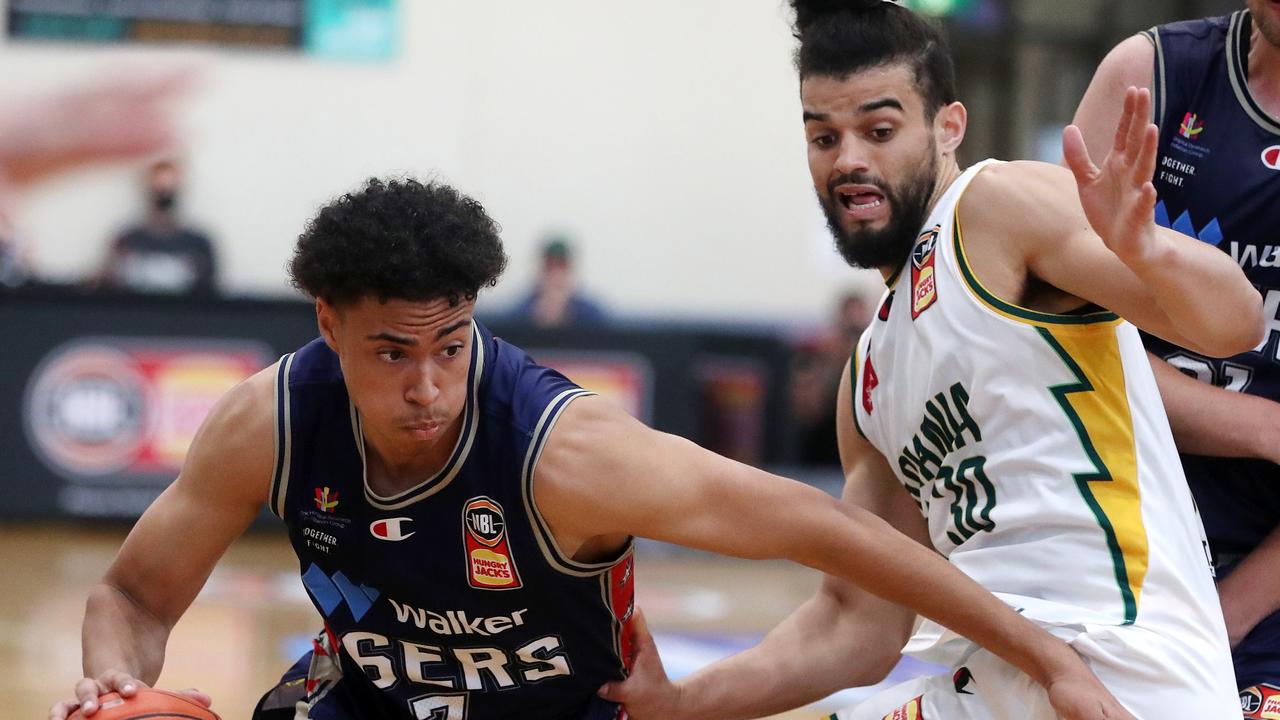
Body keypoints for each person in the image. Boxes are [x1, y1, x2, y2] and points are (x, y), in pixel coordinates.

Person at [50, 177, 1132, 720]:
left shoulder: (566, 453)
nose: (427, 385)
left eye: (449, 344)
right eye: (390, 353)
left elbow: (825, 530)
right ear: (327, 326)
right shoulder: (270, 420)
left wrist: (1044, 658)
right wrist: (109, 680)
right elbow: (136, 598)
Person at [602, 1, 1262, 718]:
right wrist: (681, 701)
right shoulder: (868, 375)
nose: (849, 158)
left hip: (1121, 670)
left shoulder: (996, 207)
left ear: (949, 127)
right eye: (824, 137)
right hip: (1000, 676)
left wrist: (1150, 251)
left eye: (879, 131)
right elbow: (856, 620)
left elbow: (1235, 325)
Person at [1069, 1, 1280, 714]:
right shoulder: (1151, 74)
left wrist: (1221, 622)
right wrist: (1260, 428)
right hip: (1107, 520)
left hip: (1260, 572)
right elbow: (1056, 343)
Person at [99, 158, 218, 295]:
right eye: (159, 188)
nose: (164, 192)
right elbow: (110, 289)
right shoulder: (127, 241)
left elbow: (210, 293)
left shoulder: (199, 243)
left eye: (169, 188)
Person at [507, 235, 608, 328]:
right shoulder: (523, 310)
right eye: (550, 267)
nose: (556, 275)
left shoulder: (590, 313)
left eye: (561, 266)